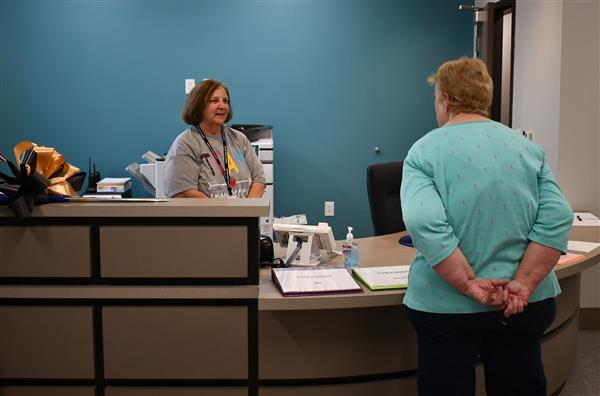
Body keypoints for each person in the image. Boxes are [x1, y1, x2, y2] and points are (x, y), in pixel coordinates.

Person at [400, 57, 573, 396]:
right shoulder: (528, 148)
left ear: (446, 100)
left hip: (447, 307)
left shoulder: (424, 151)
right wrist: (522, 284)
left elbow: (423, 221)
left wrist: (469, 284)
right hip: (522, 304)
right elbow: (558, 216)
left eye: (436, 98)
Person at [165, 79, 265, 198]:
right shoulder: (185, 144)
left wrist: (246, 210)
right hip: (208, 216)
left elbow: (259, 178)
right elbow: (185, 192)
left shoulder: (239, 139)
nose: (222, 106)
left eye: (225, 101)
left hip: (243, 216)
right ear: (198, 105)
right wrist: (224, 215)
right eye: (214, 100)